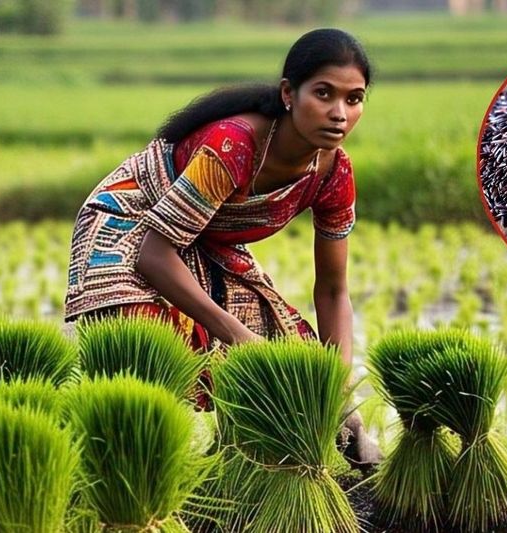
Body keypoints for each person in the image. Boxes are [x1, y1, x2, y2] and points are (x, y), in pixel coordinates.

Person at [64, 28, 380, 465]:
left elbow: (332, 290)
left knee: (299, 364)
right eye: (323, 94)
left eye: (354, 98)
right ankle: (119, 462)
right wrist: (235, 334)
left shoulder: (334, 174)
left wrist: (340, 390)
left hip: (205, 238)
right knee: (151, 345)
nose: (339, 113)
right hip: (132, 223)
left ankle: (232, 466)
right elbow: (154, 254)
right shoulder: (233, 146)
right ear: (289, 93)